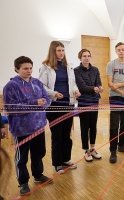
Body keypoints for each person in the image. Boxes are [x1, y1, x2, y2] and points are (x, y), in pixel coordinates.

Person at [3, 56, 52, 196]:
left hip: (39, 126)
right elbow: (11, 108)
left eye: (30, 68)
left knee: (39, 153)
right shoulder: (11, 86)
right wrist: (35, 103)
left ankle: (38, 175)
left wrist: (44, 103)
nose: (29, 71)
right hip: (21, 129)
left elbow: (46, 99)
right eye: (25, 68)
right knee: (21, 158)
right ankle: (23, 182)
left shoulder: (37, 82)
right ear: (16, 69)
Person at [39, 41, 81, 174]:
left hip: (68, 104)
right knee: (56, 135)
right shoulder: (45, 67)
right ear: (53, 51)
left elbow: (72, 84)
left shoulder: (68, 66)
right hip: (54, 105)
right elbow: (42, 86)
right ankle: (57, 163)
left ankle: (66, 159)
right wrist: (54, 93)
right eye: (58, 50)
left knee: (66, 134)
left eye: (63, 50)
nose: (61, 53)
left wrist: (76, 91)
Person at [106, 42, 124, 163]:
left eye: (123, 49)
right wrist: (118, 90)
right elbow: (109, 83)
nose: (121, 51)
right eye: (119, 50)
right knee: (114, 124)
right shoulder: (111, 64)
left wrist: (120, 86)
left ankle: (121, 145)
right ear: (116, 51)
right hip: (115, 97)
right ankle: (113, 150)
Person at [74, 49, 104, 162]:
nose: (87, 58)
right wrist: (93, 88)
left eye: (88, 56)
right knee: (84, 126)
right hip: (83, 101)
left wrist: (99, 87)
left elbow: (98, 82)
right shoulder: (76, 70)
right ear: (80, 58)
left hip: (94, 101)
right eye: (84, 56)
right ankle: (86, 150)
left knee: (93, 125)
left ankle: (92, 148)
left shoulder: (95, 69)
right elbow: (81, 86)